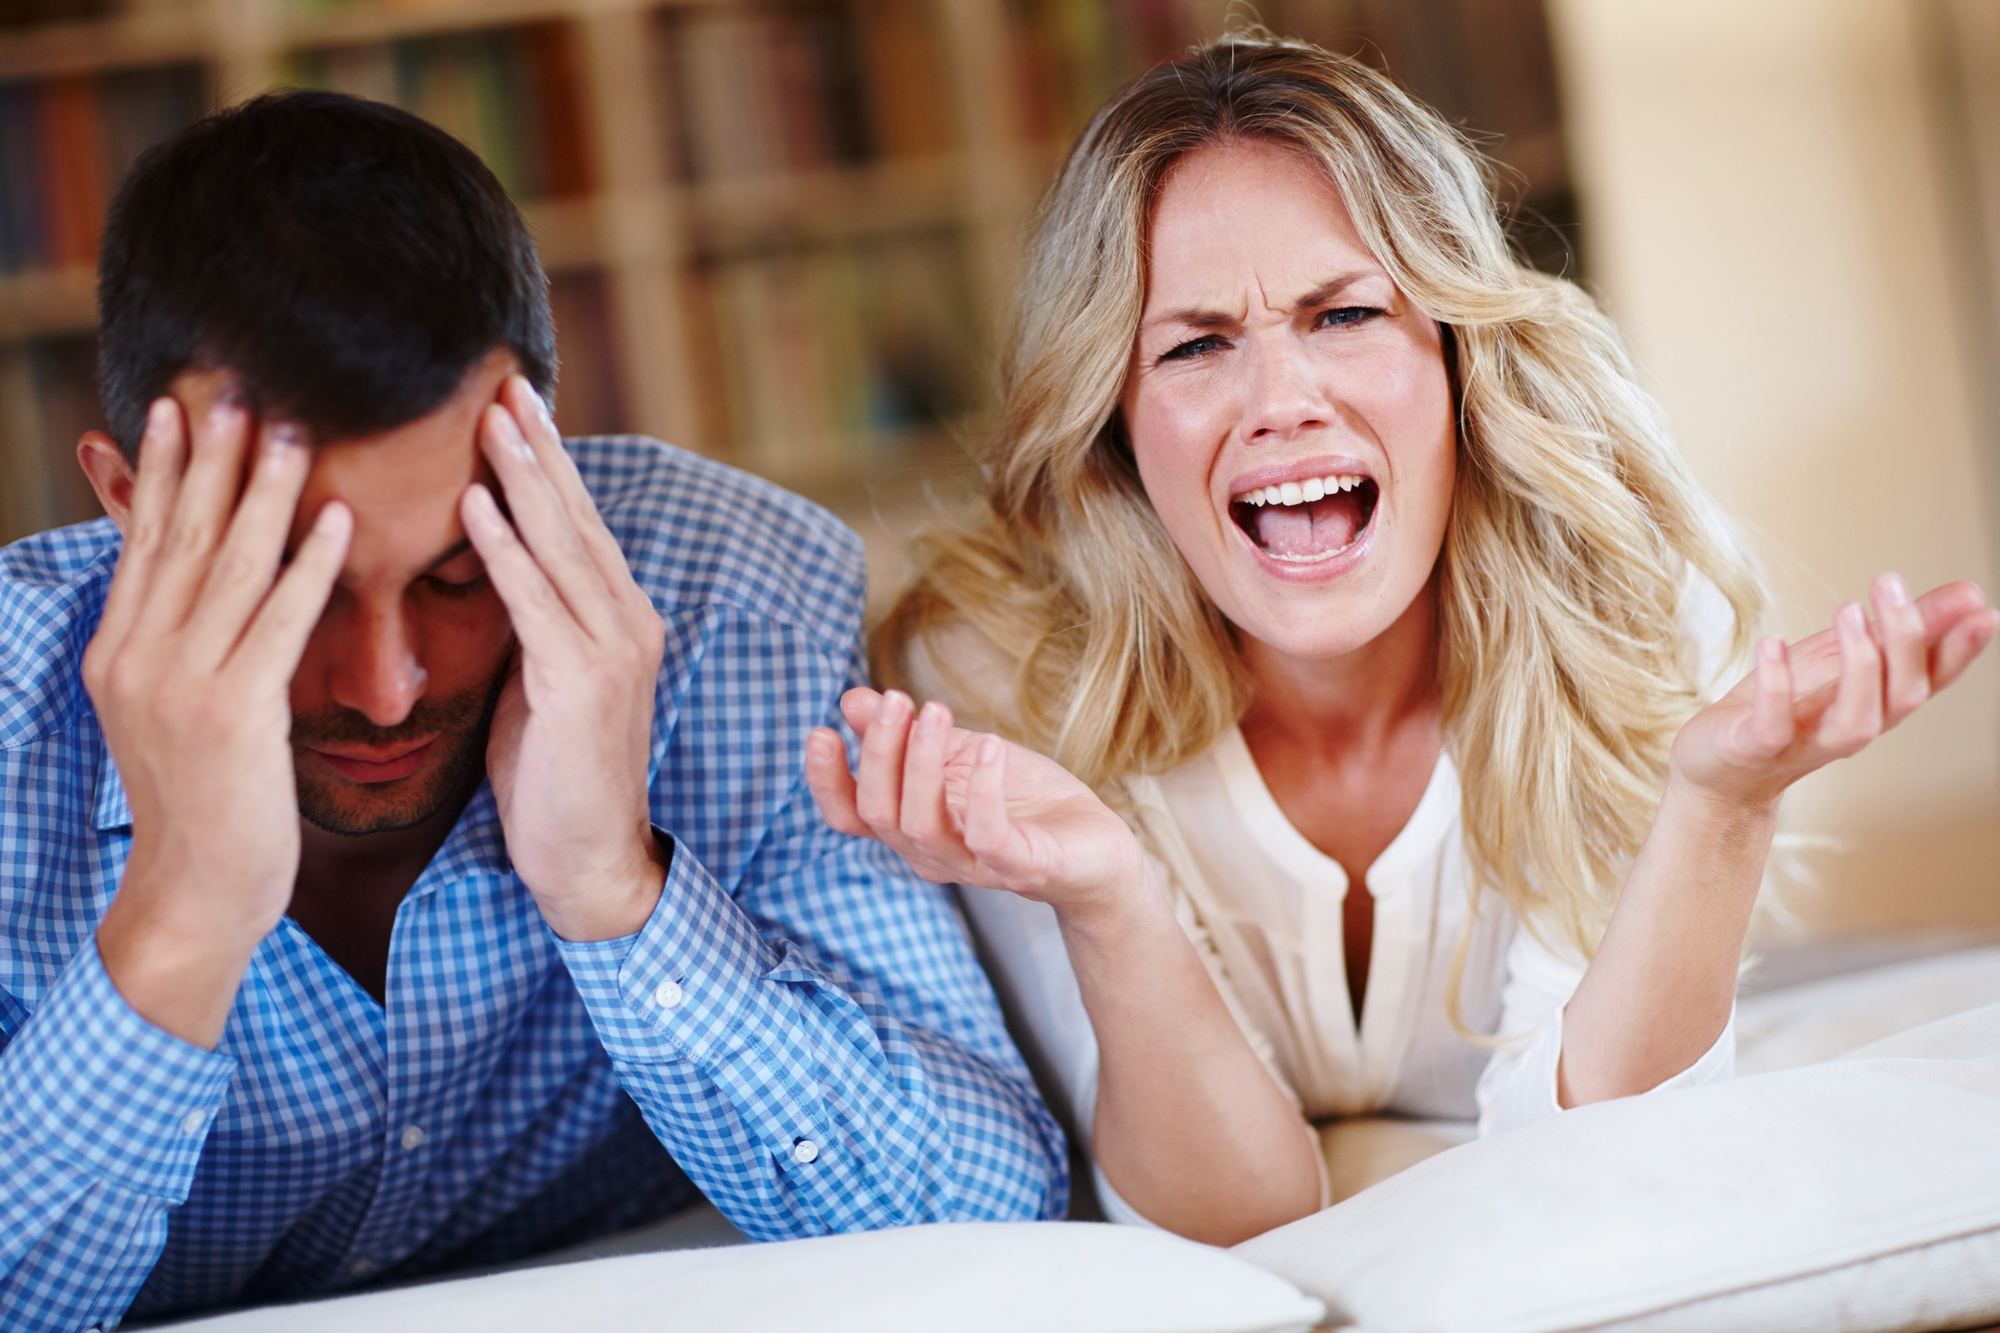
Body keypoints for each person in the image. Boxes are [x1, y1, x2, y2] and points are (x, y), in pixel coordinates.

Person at [805, 34, 1998, 1246]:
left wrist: (1721, 803)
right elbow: (1227, 1218)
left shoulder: (1623, 603)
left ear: (1455, 354)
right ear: (1114, 422)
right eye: (1196, 343)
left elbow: (1588, 1158)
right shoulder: (995, 672)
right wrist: (1106, 895)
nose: (1281, 401)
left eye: (1345, 313)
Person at [0, 91, 1065, 1331]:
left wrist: (614, 884)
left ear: (548, 463)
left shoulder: (737, 611)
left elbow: (992, 1209)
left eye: (460, 574)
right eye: (292, 587)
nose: (383, 686)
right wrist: (180, 914)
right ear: (130, 504)